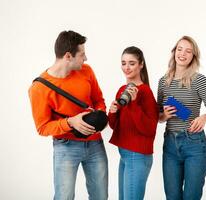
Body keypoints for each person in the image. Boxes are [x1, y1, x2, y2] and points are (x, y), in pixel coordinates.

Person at [28, 30, 108, 200]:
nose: (85, 58)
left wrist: (100, 116)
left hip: (95, 144)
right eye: (82, 54)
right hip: (65, 147)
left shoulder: (86, 71)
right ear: (68, 56)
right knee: (64, 197)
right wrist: (70, 122)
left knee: (101, 196)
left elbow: (99, 100)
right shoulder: (39, 88)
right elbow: (42, 128)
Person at [157, 36, 206, 200]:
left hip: (194, 145)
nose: (182, 54)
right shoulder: (163, 81)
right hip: (170, 144)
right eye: (179, 49)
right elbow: (158, 117)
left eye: (188, 51)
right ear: (174, 52)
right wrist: (165, 115)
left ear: (193, 56)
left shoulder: (199, 80)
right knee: (172, 197)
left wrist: (204, 117)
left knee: (191, 197)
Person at [108, 46, 159, 200]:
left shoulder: (145, 92)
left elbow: (150, 129)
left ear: (141, 65)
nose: (127, 67)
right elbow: (114, 126)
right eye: (123, 63)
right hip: (124, 153)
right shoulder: (122, 90)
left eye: (131, 63)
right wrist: (112, 112)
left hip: (137, 155)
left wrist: (135, 104)